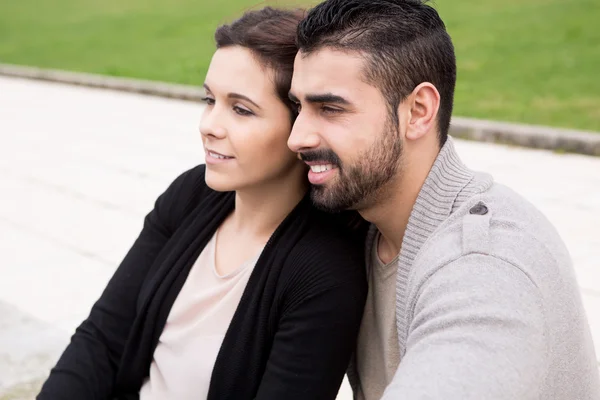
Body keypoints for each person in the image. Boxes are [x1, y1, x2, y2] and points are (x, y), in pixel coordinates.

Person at [37, 7, 368, 400]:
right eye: (209, 99)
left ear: (302, 125)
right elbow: (103, 342)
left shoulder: (323, 273)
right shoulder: (192, 195)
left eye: (241, 109)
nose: (208, 124)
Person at [288, 0, 600, 399]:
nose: (296, 138)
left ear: (418, 111)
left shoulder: (487, 262)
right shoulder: (362, 226)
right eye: (299, 107)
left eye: (330, 108)